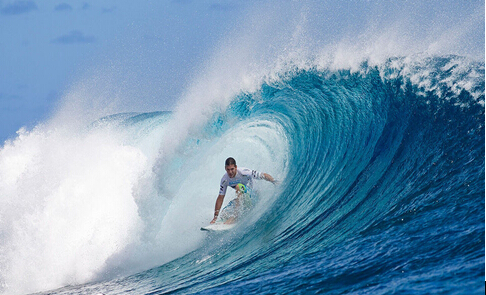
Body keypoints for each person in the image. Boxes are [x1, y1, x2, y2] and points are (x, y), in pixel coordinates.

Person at [210, 157, 276, 224]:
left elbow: (262, 175)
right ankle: (223, 221)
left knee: (238, 186)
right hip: (244, 199)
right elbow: (220, 198)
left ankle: (235, 216)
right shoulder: (224, 180)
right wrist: (215, 217)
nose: (230, 172)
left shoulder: (244, 172)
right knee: (224, 213)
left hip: (253, 196)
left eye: (232, 169)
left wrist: (274, 181)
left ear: (236, 167)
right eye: (228, 169)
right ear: (225, 168)